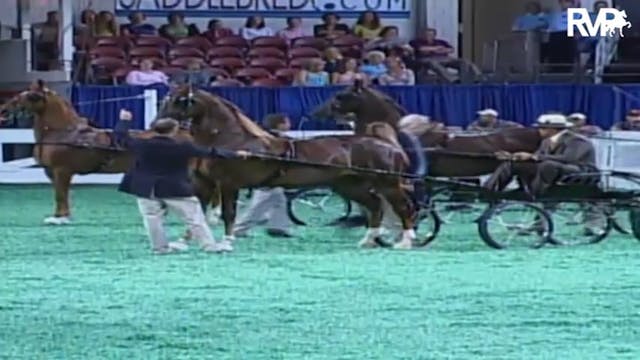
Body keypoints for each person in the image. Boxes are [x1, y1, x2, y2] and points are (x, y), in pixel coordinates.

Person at [114, 109, 238, 254]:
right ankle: (209, 246)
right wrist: (236, 154)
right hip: (174, 188)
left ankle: (159, 248)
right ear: (174, 130)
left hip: (145, 188)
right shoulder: (182, 147)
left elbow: (121, 137)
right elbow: (210, 152)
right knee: (194, 218)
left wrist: (124, 120)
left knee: (152, 219)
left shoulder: (141, 144)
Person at [483, 114, 597, 197]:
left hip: (579, 172)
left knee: (548, 165)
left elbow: (570, 159)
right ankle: (490, 190)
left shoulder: (578, 141)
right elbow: (537, 156)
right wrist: (513, 157)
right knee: (513, 164)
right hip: (551, 170)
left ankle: (535, 193)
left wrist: (533, 157)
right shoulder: (546, 141)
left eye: (542, 128)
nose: (538, 131)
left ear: (553, 129)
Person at [234, 114, 294, 238]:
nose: (289, 124)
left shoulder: (267, 137)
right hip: (268, 177)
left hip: (271, 177)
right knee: (259, 204)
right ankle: (239, 229)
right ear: (280, 124)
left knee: (279, 199)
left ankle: (278, 227)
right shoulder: (270, 139)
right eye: (287, 122)